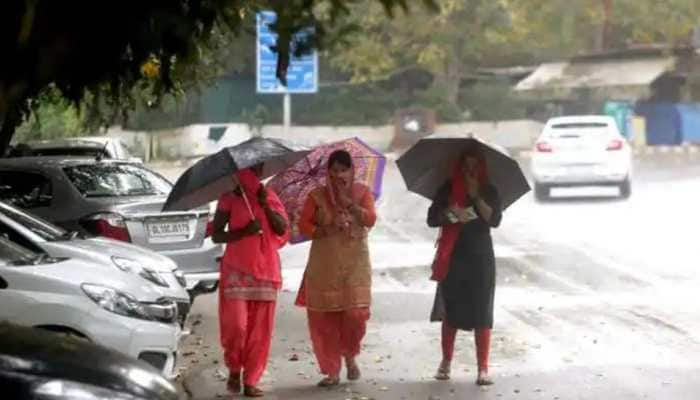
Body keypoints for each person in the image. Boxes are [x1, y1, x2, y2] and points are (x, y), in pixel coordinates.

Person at [295, 150, 377, 387]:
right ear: (328, 173)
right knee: (325, 320)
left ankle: (350, 354)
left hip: (356, 264)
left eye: (344, 169)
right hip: (325, 265)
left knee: (356, 314)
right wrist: (326, 228)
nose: (339, 175)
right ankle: (331, 370)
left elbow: (371, 219)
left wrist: (351, 206)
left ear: (352, 171)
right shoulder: (316, 196)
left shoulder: (362, 193)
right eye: (334, 170)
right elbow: (303, 225)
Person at [211, 166, 289, 398]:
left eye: (256, 169)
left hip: (266, 271)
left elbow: (282, 228)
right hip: (236, 269)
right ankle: (235, 367)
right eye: (248, 170)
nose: (252, 174)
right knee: (237, 326)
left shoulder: (269, 195)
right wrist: (243, 232)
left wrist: (265, 204)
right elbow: (216, 234)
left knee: (259, 332)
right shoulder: (229, 198)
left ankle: (252, 379)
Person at [427, 145, 502, 386]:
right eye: (465, 166)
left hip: (480, 257)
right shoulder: (447, 189)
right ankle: (445, 362)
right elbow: (432, 218)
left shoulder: (489, 190)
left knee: (482, 310)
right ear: (458, 167)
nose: (469, 171)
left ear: (481, 169)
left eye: (474, 167)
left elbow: (494, 220)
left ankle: (483, 368)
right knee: (452, 309)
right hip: (454, 256)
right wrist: (451, 214)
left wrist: (475, 195)